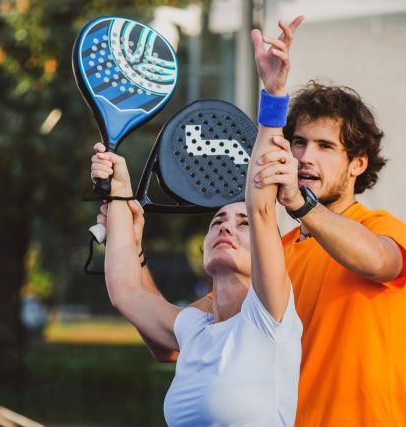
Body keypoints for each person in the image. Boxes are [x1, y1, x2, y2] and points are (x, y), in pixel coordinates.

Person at [137, 16, 406, 427]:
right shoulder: (273, 257)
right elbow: (173, 337)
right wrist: (126, 230)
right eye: (299, 142)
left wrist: (301, 207)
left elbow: (378, 261)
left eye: (325, 146)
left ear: (358, 163)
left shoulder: (382, 227)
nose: (305, 157)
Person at [89, 17, 305, 425]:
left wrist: (273, 96)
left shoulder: (270, 320)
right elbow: (126, 291)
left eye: (242, 225)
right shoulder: (195, 330)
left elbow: (260, 204)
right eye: (217, 221)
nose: (225, 225)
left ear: (266, 248)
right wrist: (119, 188)